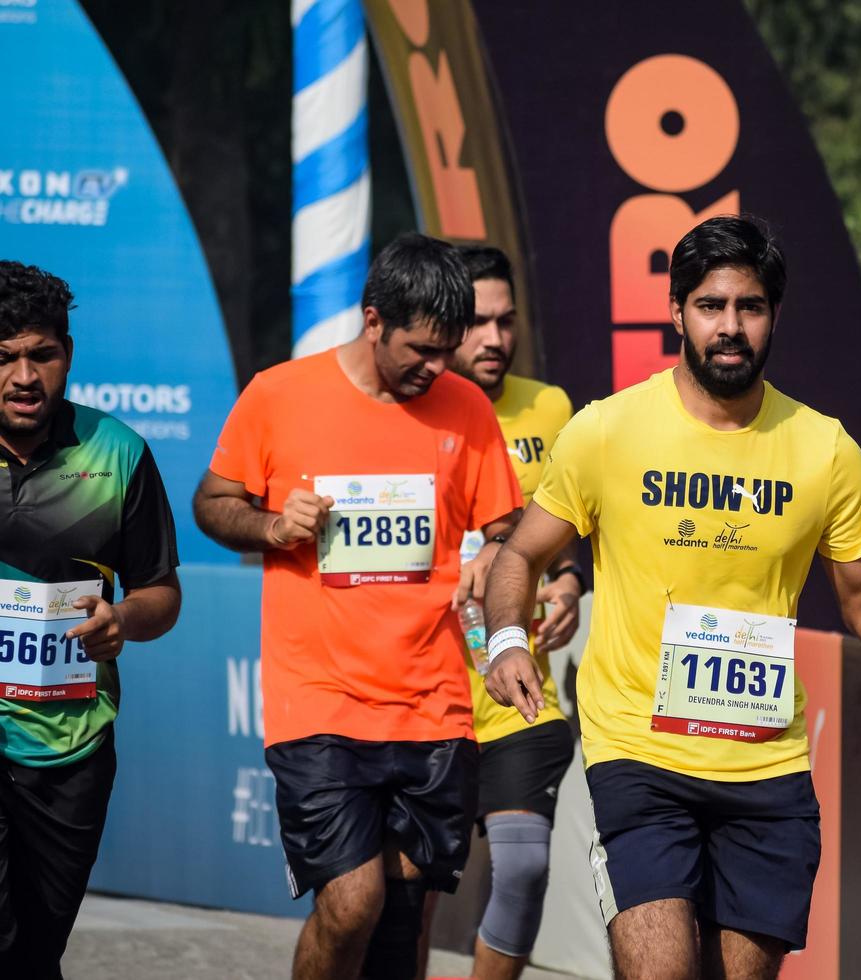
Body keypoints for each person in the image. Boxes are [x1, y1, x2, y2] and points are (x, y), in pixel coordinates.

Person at [481, 215, 861, 980]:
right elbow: (522, 554)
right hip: (637, 752)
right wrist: (506, 638)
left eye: (750, 307)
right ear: (677, 312)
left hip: (764, 765)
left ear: (774, 316)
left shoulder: (825, 449)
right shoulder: (607, 432)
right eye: (711, 306)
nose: (730, 327)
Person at [193, 233, 523, 980]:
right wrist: (272, 525)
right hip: (319, 700)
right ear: (373, 320)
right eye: (420, 349)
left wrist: (494, 565)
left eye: (448, 351)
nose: (435, 368)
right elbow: (213, 504)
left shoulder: (466, 410)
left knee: (401, 925)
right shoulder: (279, 395)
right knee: (350, 904)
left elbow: (509, 534)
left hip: (434, 704)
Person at [0, 261, 181, 979]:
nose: (23, 376)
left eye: (41, 354)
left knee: (35, 952)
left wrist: (123, 621)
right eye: (4, 357)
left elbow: (162, 594)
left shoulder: (119, 454)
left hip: (69, 745)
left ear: (67, 357)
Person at [436, 245, 580, 980]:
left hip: (518, 690)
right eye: (477, 323)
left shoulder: (550, 408)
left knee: (523, 869)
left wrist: (567, 583)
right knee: (412, 892)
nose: (494, 339)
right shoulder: (410, 413)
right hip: (423, 693)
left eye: (506, 321)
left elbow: (569, 530)